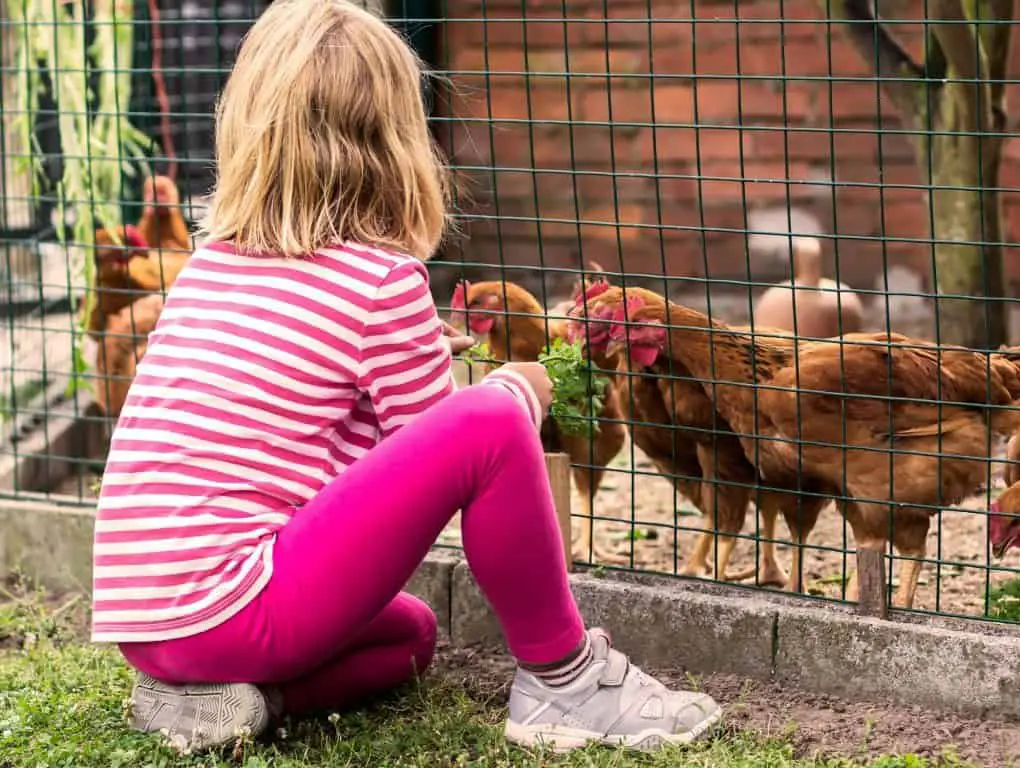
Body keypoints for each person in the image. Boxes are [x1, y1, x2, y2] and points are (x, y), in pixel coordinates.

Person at [91, 0, 722, 754]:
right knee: (489, 420)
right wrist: (521, 388)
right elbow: (449, 448)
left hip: (151, 622)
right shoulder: (379, 281)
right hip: (240, 602)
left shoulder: (211, 268)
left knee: (410, 635)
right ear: (396, 137)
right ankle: (566, 680)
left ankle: (233, 702)